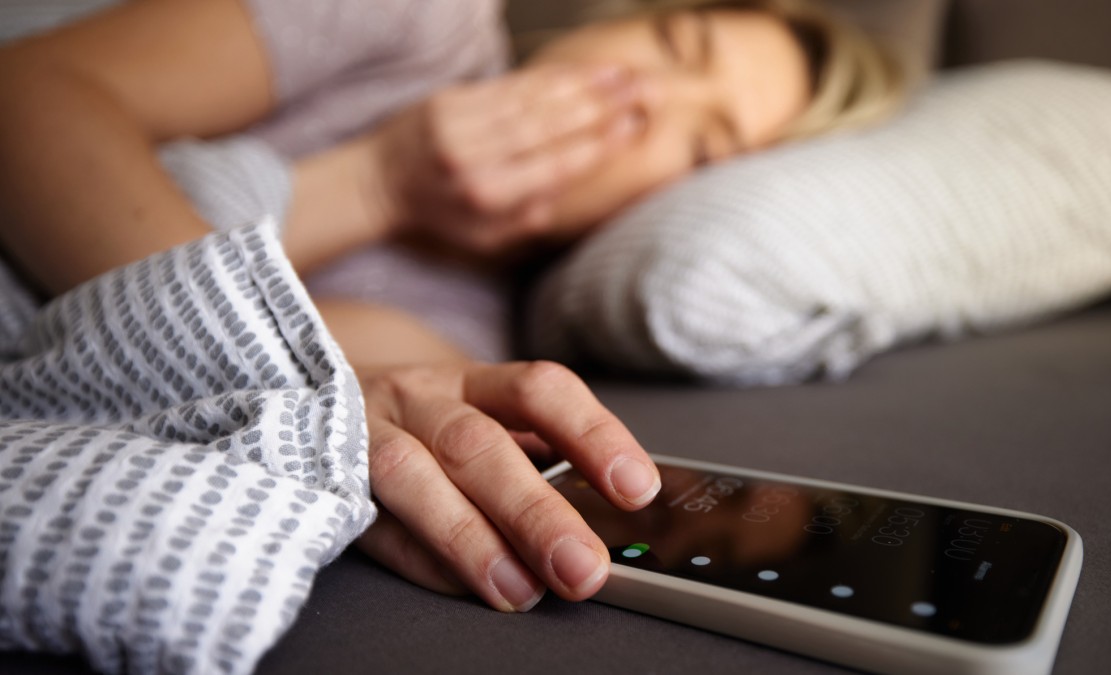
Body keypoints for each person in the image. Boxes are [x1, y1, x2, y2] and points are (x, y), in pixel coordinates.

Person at [0, 0, 904, 615]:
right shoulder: (428, 17)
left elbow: (180, 386)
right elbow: (26, 95)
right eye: (675, 47)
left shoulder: (455, 344)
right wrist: (374, 177)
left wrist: (384, 197)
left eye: (703, 146)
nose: (644, 99)